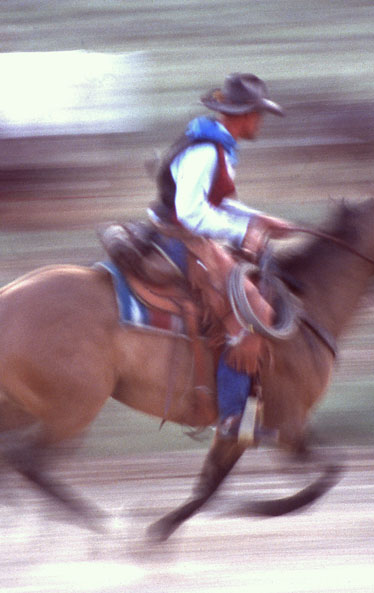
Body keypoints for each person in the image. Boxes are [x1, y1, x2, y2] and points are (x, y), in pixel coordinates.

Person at [148, 73, 296, 439]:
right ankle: (233, 419)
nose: (260, 122)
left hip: (186, 232)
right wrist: (244, 231)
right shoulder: (204, 150)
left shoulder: (218, 144)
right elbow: (191, 212)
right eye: (258, 114)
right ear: (243, 114)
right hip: (180, 238)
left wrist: (257, 218)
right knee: (252, 310)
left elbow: (217, 202)